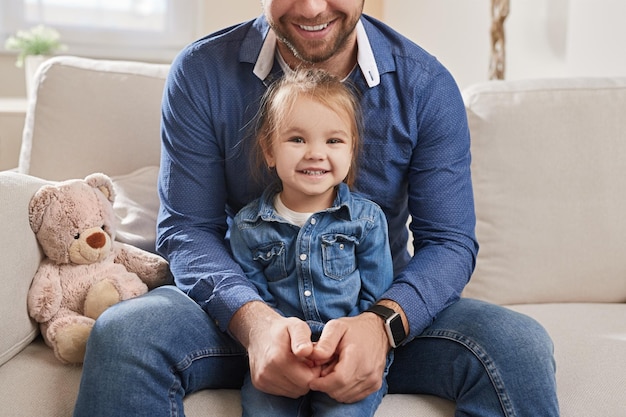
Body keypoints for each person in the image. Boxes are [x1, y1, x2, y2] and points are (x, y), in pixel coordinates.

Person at [74, 1, 560, 416]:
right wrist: (256, 323)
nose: (310, 8)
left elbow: (450, 243)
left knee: (517, 346)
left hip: (379, 315)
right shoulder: (202, 72)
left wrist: (382, 325)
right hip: (240, 312)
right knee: (125, 335)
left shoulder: (426, 86)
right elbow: (187, 229)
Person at [230, 68, 394, 417]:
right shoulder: (248, 225)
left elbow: (377, 296)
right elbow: (252, 299)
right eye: (297, 139)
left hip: (348, 350)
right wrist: (283, 346)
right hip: (282, 352)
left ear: (351, 151)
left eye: (333, 141)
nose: (315, 153)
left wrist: (354, 343)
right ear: (269, 150)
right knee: (262, 409)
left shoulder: (364, 221)